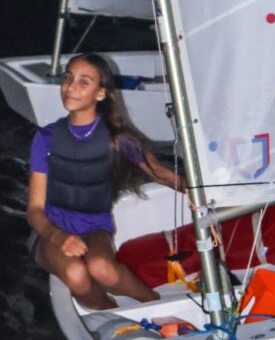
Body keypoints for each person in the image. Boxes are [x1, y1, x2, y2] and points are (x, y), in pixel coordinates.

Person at [27, 52, 187, 310]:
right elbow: (35, 210)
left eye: (83, 82)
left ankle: (154, 303)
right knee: (76, 274)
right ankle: (112, 314)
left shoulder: (119, 138)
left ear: (100, 93)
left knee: (102, 268)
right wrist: (58, 237)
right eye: (68, 78)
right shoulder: (46, 138)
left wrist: (202, 194)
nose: (70, 87)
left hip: (94, 226)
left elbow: (160, 173)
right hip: (51, 229)